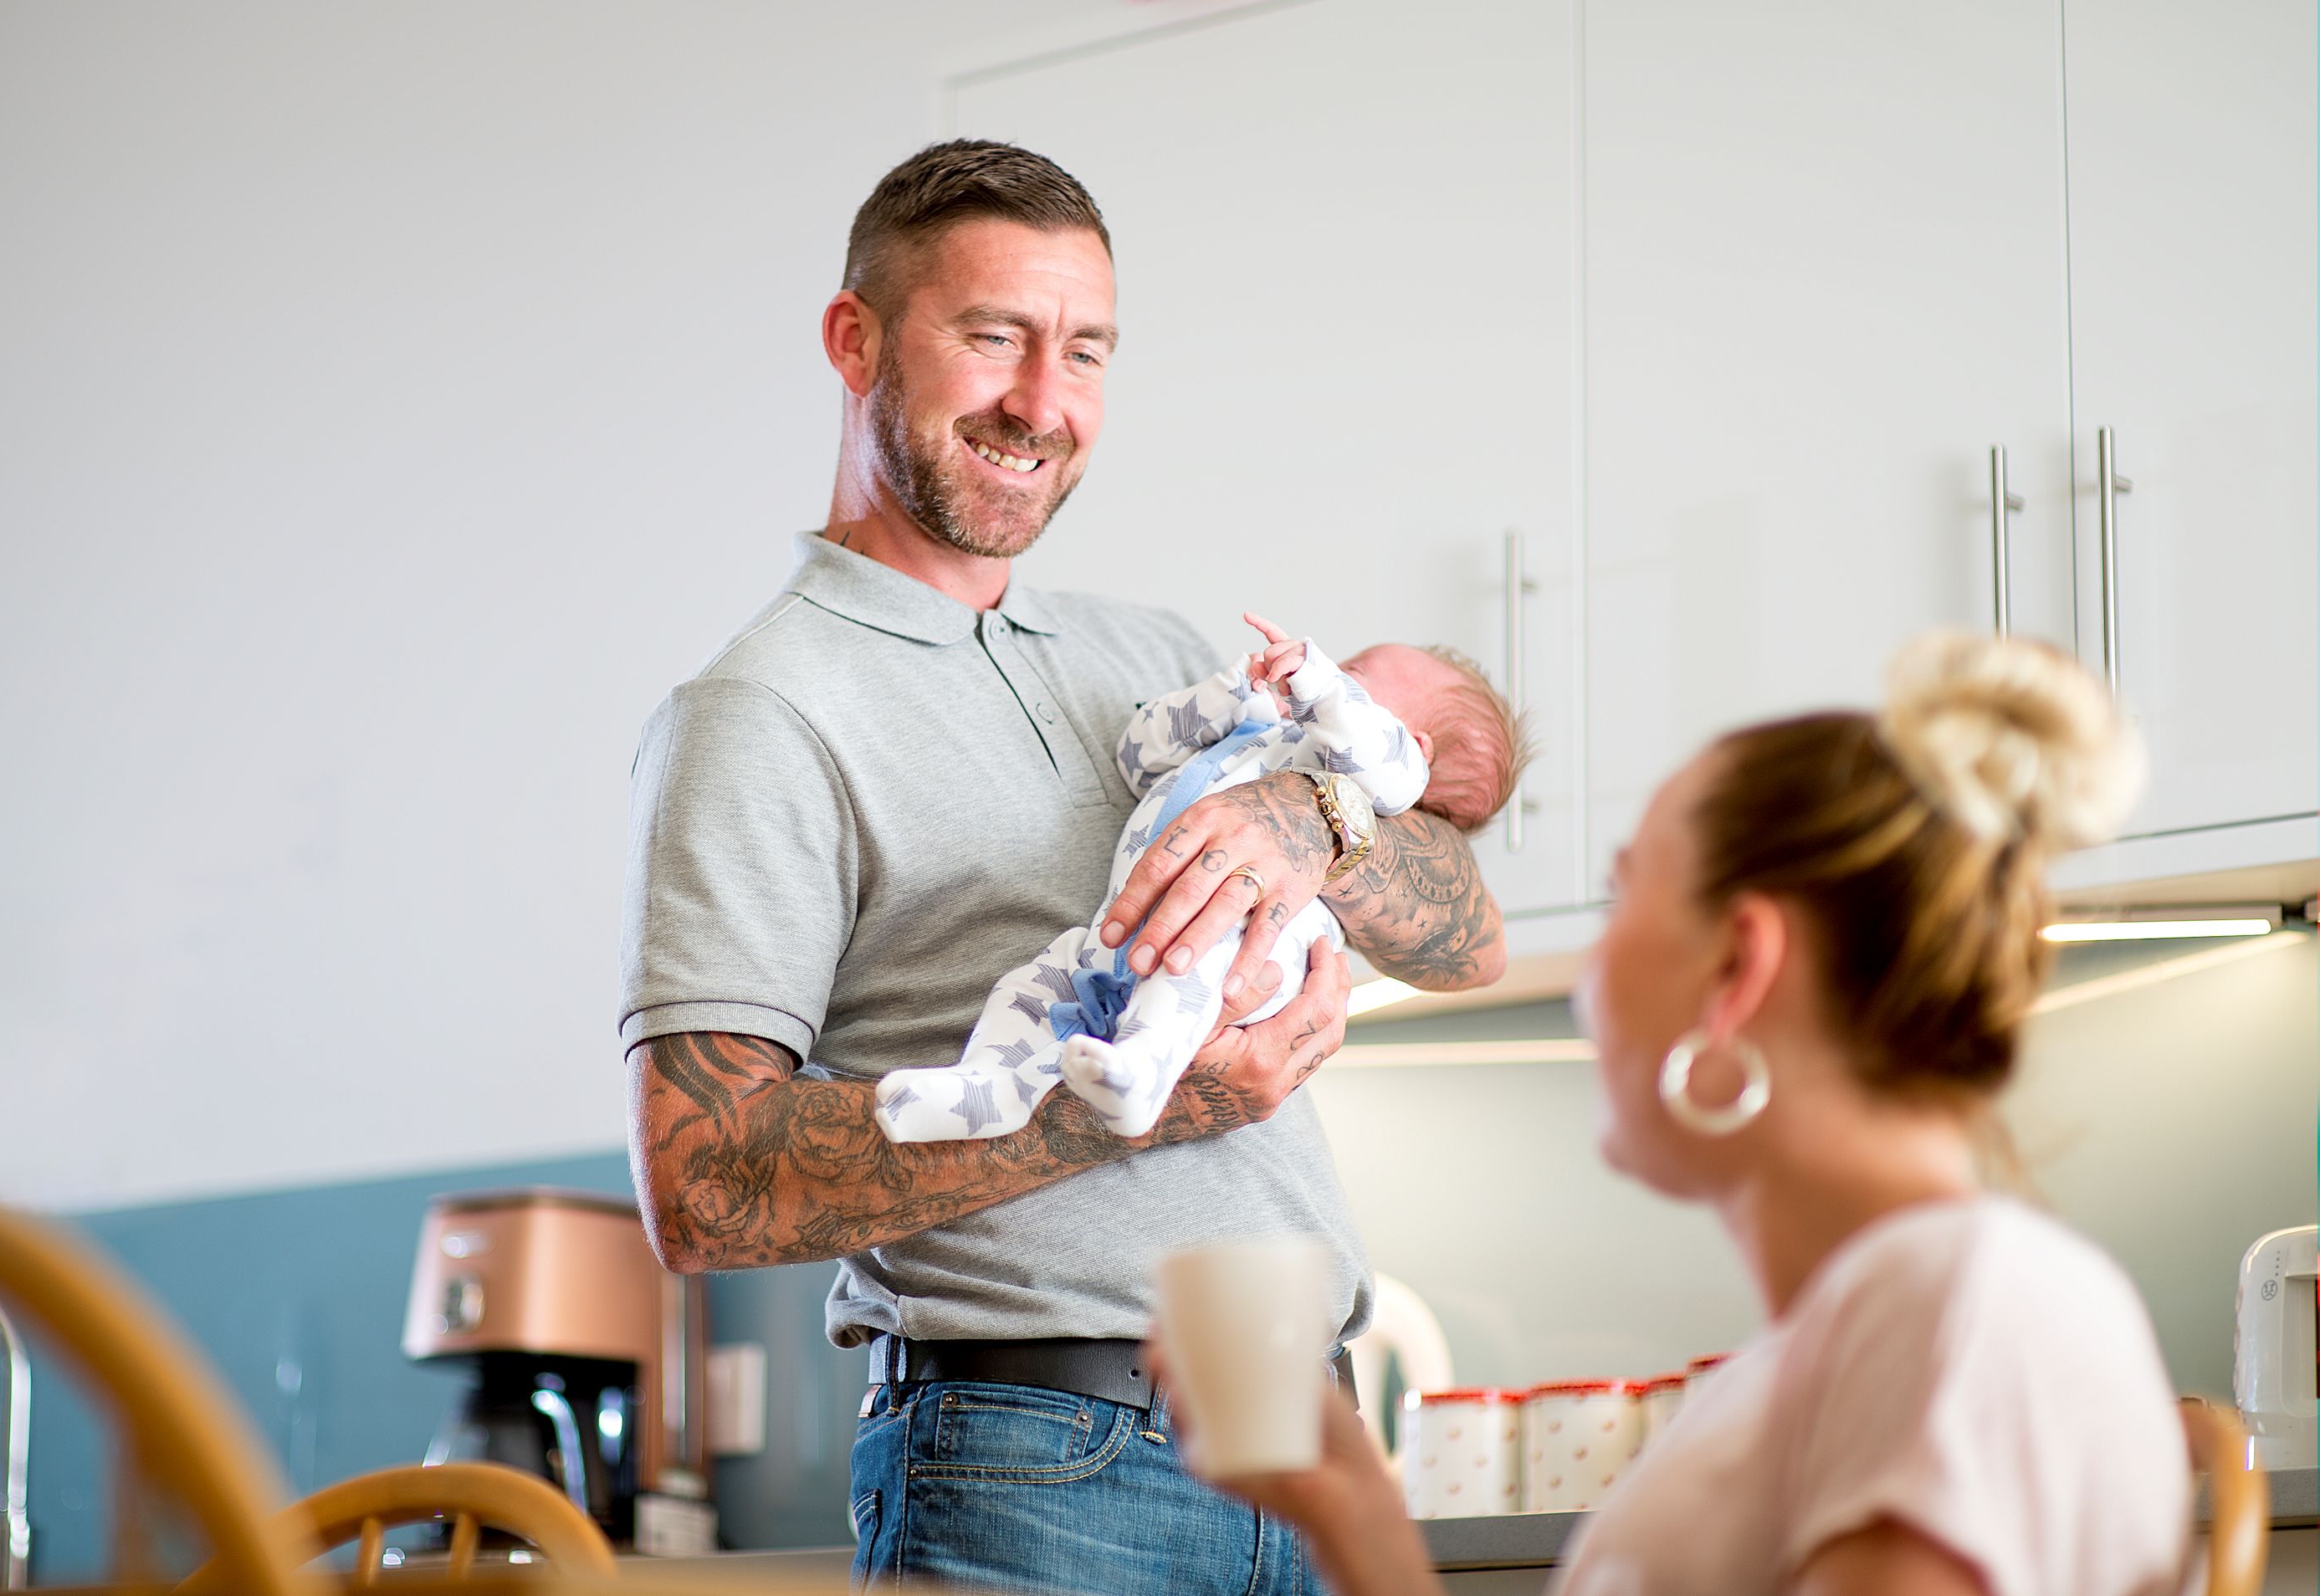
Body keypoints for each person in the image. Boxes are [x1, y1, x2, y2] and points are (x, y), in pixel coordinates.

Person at [618, 140, 1506, 1595]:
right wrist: (1136, 1109)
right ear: (855, 341)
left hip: (1310, 1448)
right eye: (990, 339)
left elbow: (1468, 940)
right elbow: (702, 1184)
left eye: (1082, 349)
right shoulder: (759, 715)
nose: (1042, 403)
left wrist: (1317, 823)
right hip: (1035, 1463)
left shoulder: (1162, 659)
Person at [1195, 631, 2193, 1596]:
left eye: (1624, 902)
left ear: (1736, 969)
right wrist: (1362, 1538)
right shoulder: (1861, 1339)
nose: (1589, 979)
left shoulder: (1959, 1314)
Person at [876, 614, 1523, 1143]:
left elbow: (1386, 771)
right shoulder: (1255, 738)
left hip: (1235, 947)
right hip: (1124, 932)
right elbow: (1138, 758)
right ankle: (991, 1086)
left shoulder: (1384, 773)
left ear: (1415, 744)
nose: (1322, 670)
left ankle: (1140, 1075)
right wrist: (1222, 698)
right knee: (1040, 982)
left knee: (1188, 972)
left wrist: (1323, 689)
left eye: (1352, 675)